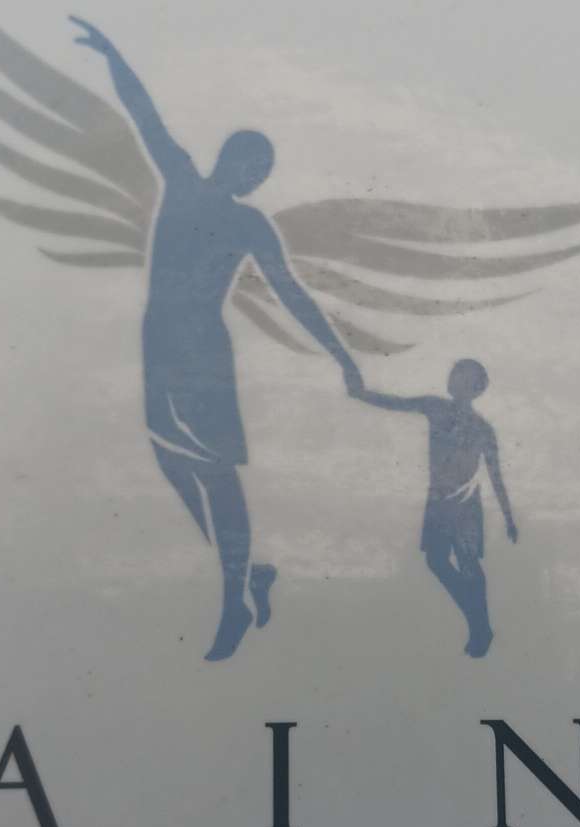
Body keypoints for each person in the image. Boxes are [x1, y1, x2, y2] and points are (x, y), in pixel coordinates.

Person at [72, 17, 365, 661]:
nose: (255, 179)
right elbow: (144, 116)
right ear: (230, 159)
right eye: (252, 166)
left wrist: (341, 354)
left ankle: (234, 600)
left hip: (202, 348)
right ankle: (249, 572)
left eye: (262, 173)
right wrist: (114, 53)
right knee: (172, 463)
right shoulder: (180, 180)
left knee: (216, 471)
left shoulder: (250, 224)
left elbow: (292, 294)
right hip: (160, 342)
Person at [351, 359, 517, 657]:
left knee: (468, 564)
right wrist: (362, 394)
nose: (452, 379)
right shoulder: (435, 406)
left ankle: (480, 626)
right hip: (438, 501)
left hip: (465, 503)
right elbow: (396, 403)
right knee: (436, 561)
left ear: (475, 387)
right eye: (454, 374)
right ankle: (478, 621)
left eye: (461, 376)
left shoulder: (483, 429)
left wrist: (509, 518)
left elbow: (496, 477)